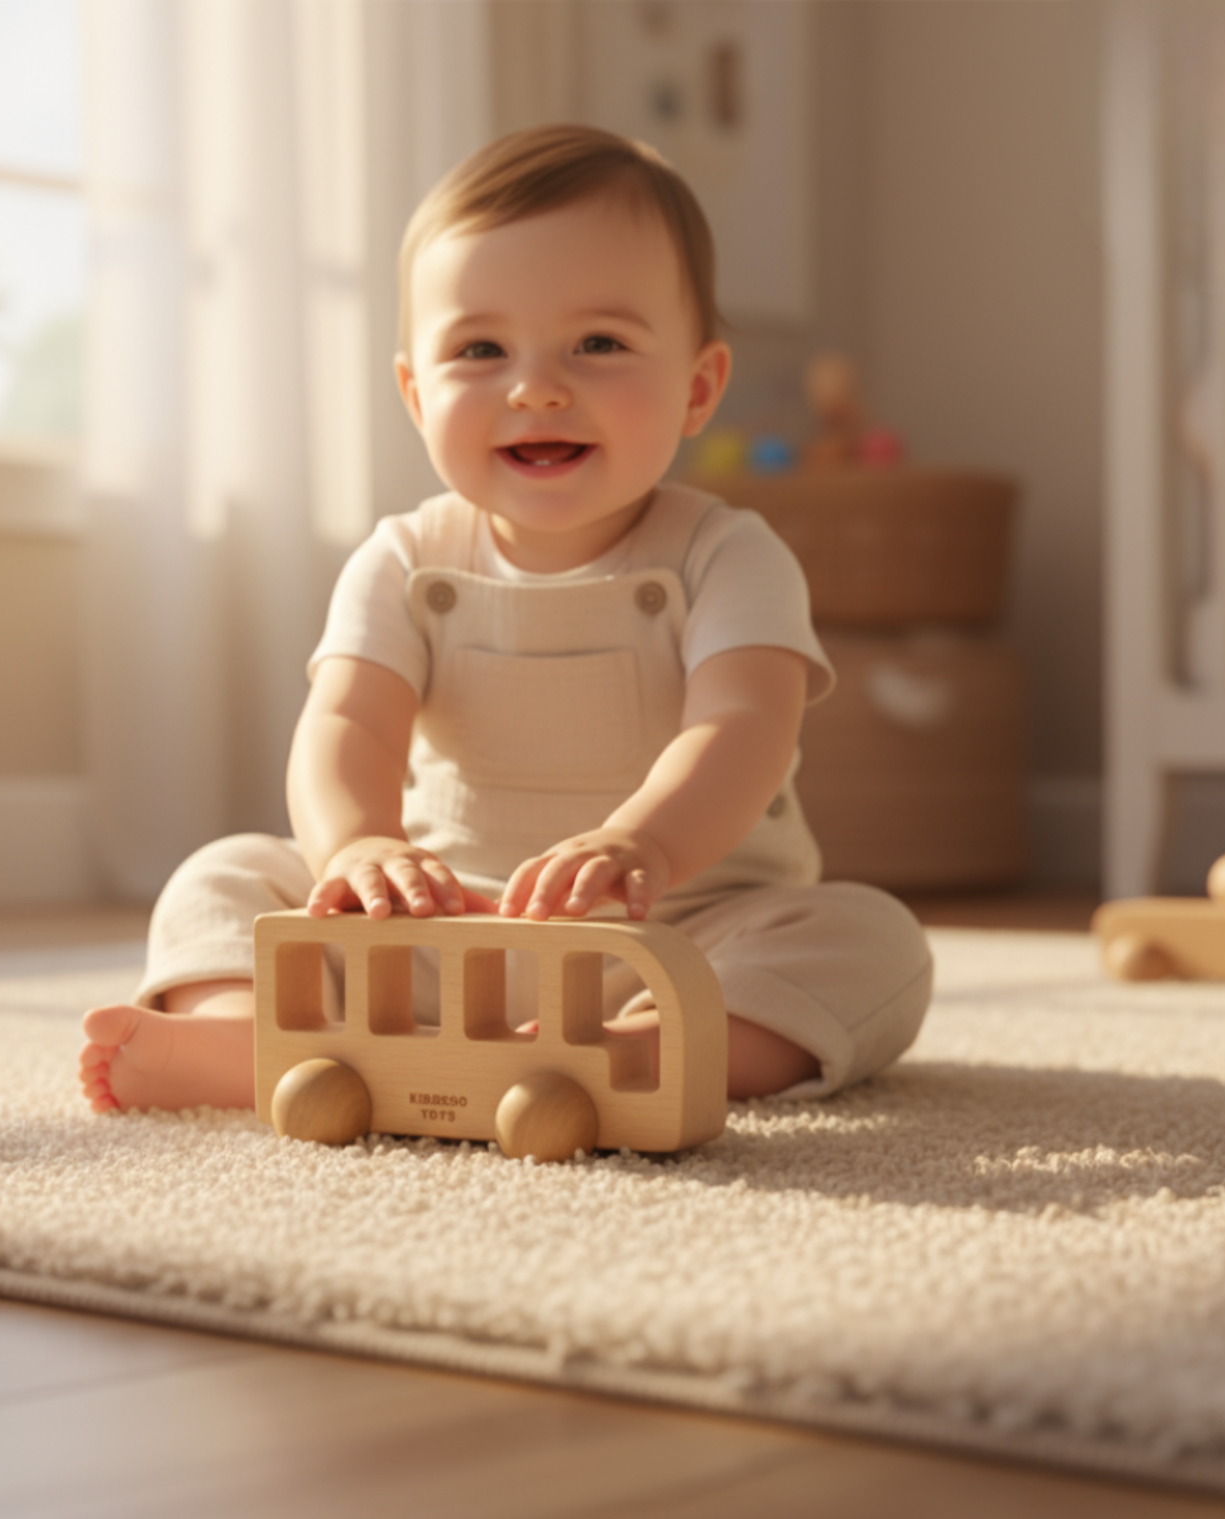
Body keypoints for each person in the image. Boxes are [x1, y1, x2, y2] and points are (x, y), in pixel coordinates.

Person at [80, 124, 932, 1116]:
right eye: (480, 349)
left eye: (599, 344)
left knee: (870, 939)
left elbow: (741, 724)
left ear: (698, 387)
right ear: (415, 393)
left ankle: (635, 1054)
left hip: (676, 936)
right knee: (225, 874)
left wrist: (642, 846)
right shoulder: (403, 559)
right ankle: (242, 1039)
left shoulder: (729, 556)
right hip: (437, 939)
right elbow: (348, 722)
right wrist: (356, 846)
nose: (536, 385)